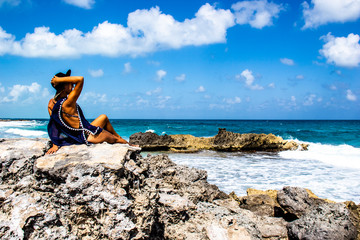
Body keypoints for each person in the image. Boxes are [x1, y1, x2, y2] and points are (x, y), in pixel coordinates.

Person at [46, 69, 136, 154]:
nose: (73, 86)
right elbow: (80, 79)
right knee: (116, 140)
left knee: (103, 118)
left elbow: (55, 125)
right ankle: (129, 145)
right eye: (70, 83)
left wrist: (55, 144)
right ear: (64, 86)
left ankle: (119, 137)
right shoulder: (68, 102)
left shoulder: (53, 104)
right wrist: (59, 80)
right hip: (87, 136)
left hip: (83, 131)